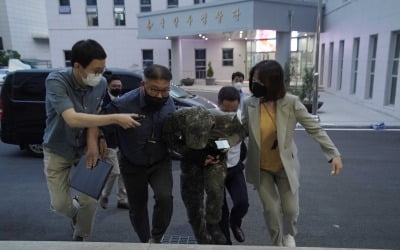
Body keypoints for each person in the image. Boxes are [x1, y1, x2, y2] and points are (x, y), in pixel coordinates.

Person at [43, 39, 140, 241]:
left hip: (84, 149)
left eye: (103, 69)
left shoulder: (101, 83)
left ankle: (80, 236)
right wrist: (115, 118)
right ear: (77, 66)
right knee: (60, 205)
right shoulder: (56, 81)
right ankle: (74, 212)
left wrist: (94, 144)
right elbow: (72, 119)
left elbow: (94, 115)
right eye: (96, 70)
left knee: (90, 200)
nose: (100, 75)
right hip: (57, 149)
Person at [241, 59, 343, 247]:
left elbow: (315, 128)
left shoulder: (291, 103)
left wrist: (333, 154)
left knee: (290, 210)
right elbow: (239, 133)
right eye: (254, 79)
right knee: (271, 209)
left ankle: (289, 233)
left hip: (285, 166)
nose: (255, 84)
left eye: (260, 81)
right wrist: (218, 148)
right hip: (260, 167)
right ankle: (278, 243)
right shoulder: (249, 104)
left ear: (273, 83)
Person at [100, 64, 175, 243]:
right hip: (132, 164)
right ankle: (145, 240)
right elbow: (100, 123)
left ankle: (157, 238)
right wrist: (100, 140)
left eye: (165, 90)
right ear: (143, 85)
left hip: (160, 161)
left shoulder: (169, 101)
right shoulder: (122, 104)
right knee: (137, 207)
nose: (159, 95)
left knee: (165, 198)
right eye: (154, 90)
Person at [162, 106, 246, 244]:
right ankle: (201, 237)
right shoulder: (176, 118)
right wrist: (190, 153)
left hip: (214, 153)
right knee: (192, 199)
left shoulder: (225, 119)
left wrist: (220, 149)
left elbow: (241, 133)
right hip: (190, 154)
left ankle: (213, 223)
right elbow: (167, 137)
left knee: (215, 189)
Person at [217, 86, 249, 245]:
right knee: (220, 211)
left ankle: (235, 223)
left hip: (235, 169)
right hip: (215, 170)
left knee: (242, 203)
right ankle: (225, 244)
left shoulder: (242, 118)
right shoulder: (209, 119)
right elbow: (217, 146)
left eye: (233, 109)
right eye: (226, 110)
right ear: (218, 104)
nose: (230, 113)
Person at [99, 74, 129, 209]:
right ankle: (104, 194)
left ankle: (122, 199)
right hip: (107, 141)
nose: (117, 88)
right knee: (115, 171)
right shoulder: (101, 102)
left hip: (121, 142)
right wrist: (100, 139)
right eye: (114, 86)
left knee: (124, 172)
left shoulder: (122, 100)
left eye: (119, 86)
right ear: (107, 87)